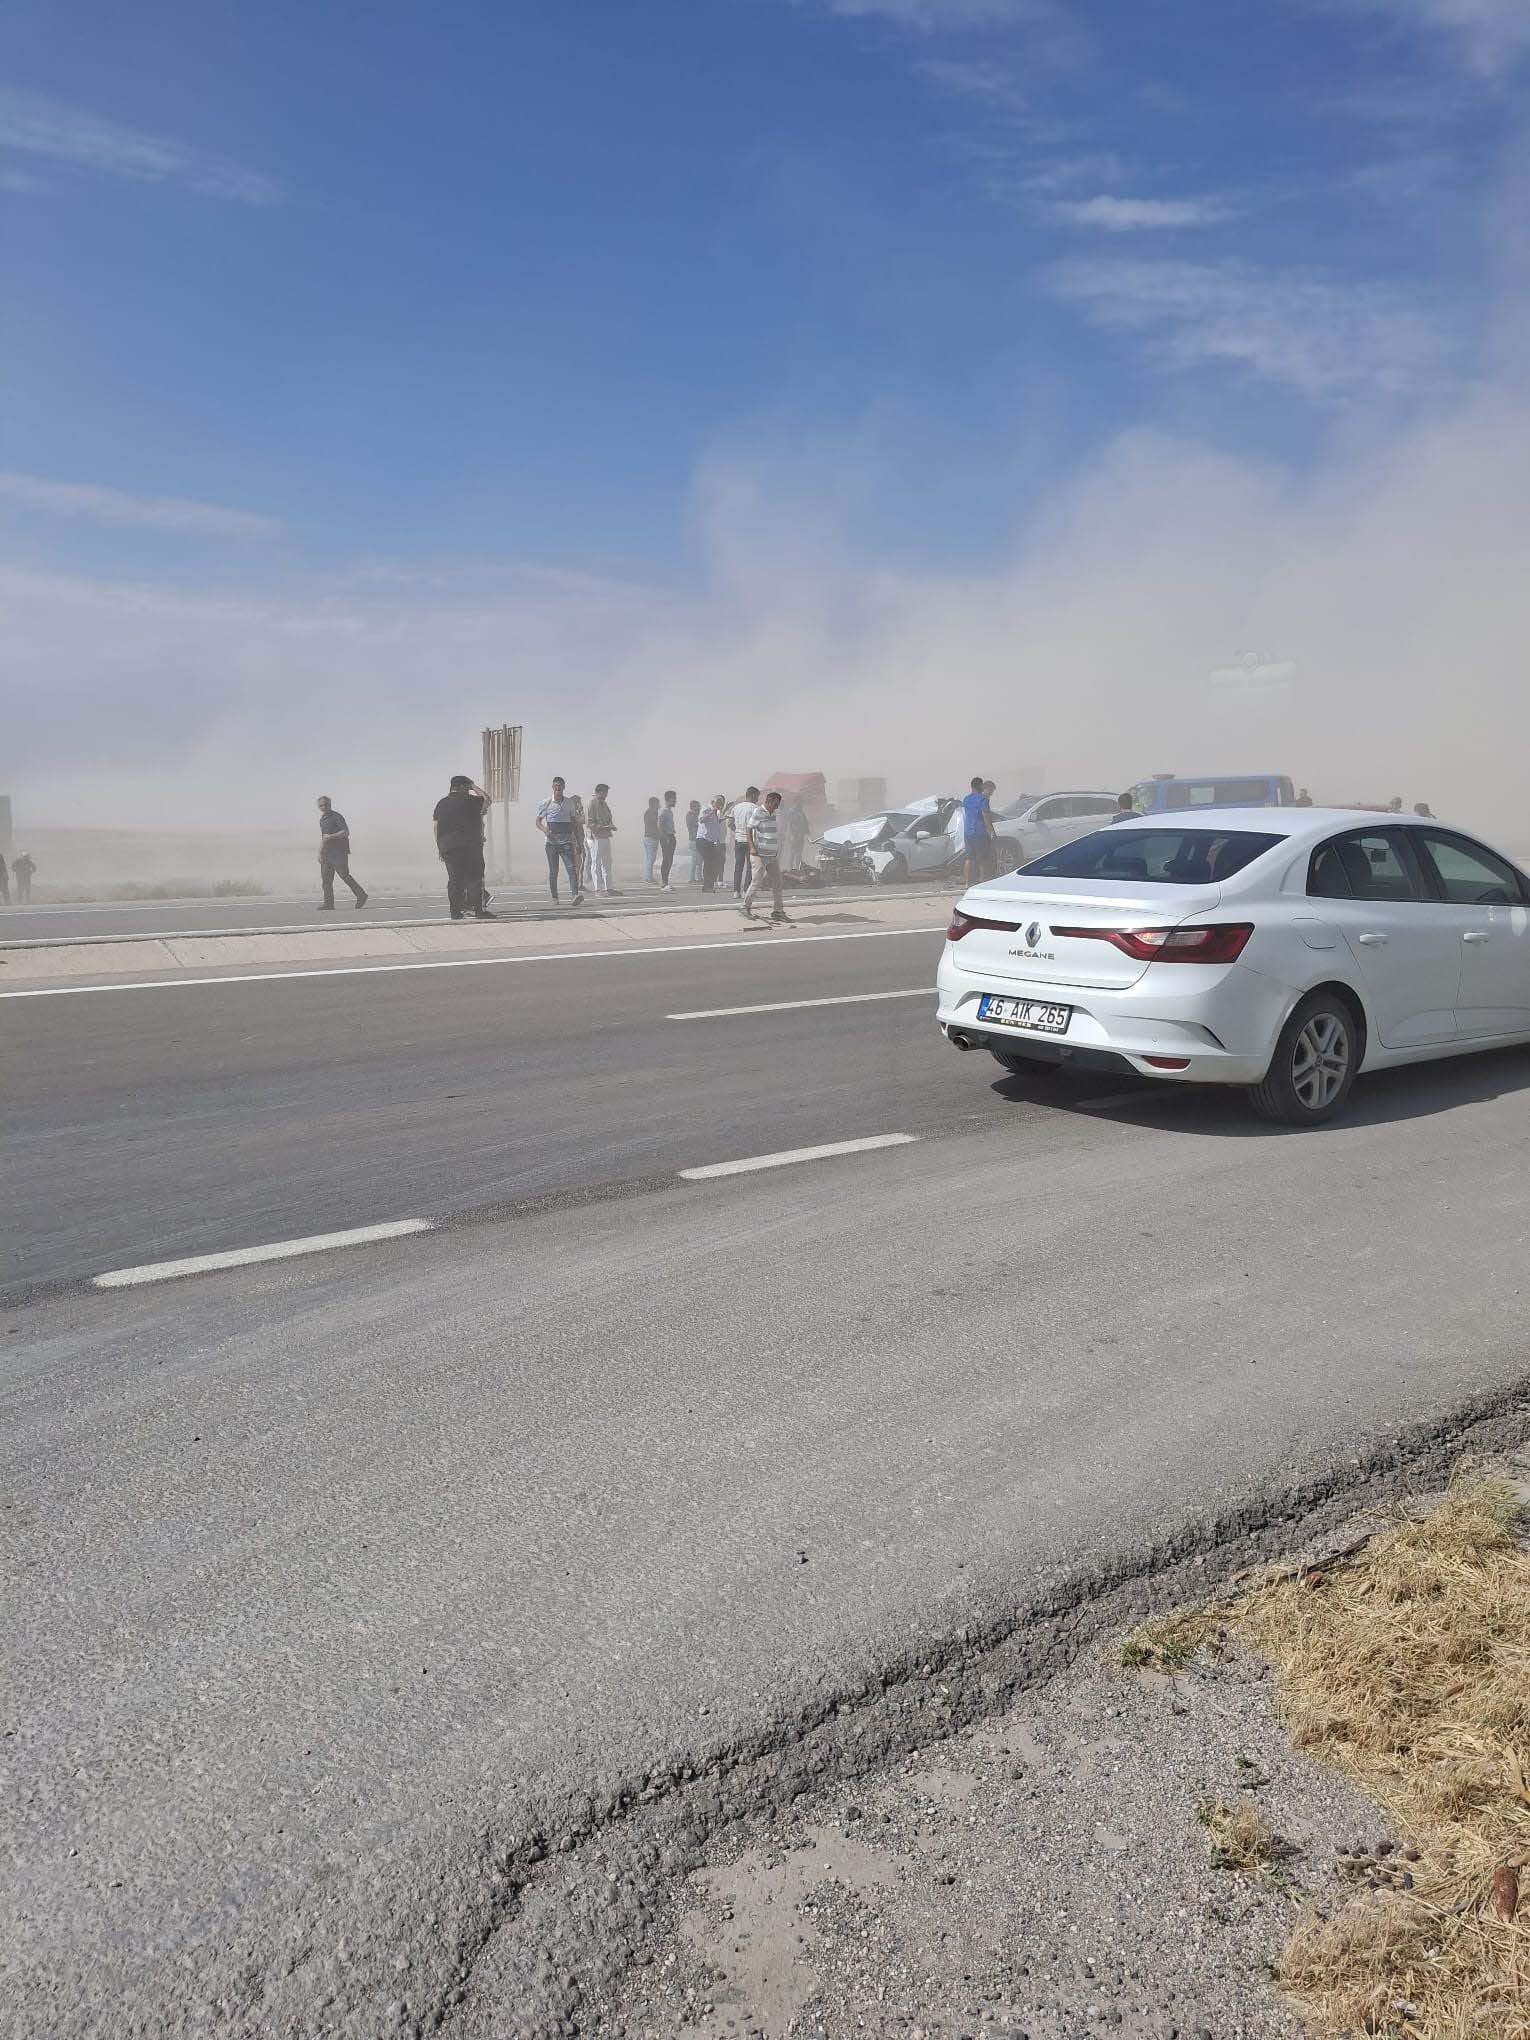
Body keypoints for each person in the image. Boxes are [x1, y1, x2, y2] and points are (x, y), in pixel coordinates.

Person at [433, 773, 495, 920]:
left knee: (455, 880)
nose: (468, 790)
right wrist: (473, 785)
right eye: (466, 788)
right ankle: (478, 911)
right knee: (475, 878)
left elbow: (436, 827)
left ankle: (455, 912)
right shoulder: (469, 800)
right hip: (469, 845)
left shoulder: (441, 804)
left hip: (447, 845)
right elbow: (487, 799)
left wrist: (439, 847)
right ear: (461, 787)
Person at [742, 789, 790, 924]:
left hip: (772, 855)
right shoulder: (758, 812)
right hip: (759, 854)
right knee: (756, 881)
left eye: (778, 804)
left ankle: (778, 911)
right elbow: (749, 828)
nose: (777, 807)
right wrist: (751, 847)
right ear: (768, 801)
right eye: (775, 804)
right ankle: (745, 907)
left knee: (778, 882)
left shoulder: (773, 813)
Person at [536, 776, 585, 906]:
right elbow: (538, 821)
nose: (558, 788)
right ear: (553, 787)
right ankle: (554, 896)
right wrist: (545, 830)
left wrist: (578, 842)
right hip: (552, 843)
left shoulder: (569, 803)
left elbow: (574, 822)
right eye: (555, 786)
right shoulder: (546, 802)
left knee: (571, 868)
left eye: (560, 786)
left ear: (564, 787)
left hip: (567, 841)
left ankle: (575, 894)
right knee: (554, 871)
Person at [315, 795, 369, 910]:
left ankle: (361, 895)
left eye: (326, 804)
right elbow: (324, 837)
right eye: (321, 805)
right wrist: (319, 852)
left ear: (330, 804)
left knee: (344, 875)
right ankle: (328, 904)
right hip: (326, 854)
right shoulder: (322, 820)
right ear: (318, 807)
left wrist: (331, 836)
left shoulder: (337, 817)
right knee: (326, 880)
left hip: (338, 852)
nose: (324, 807)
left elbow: (345, 832)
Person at [586, 783, 620, 895]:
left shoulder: (604, 804)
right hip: (595, 837)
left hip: (605, 836)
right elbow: (590, 824)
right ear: (599, 792)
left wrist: (610, 826)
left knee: (607, 863)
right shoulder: (592, 804)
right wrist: (607, 827)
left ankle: (608, 888)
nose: (606, 794)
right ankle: (597, 889)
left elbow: (608, 818)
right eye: (605, 792)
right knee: (596, 863)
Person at [961, 776, 994, 887]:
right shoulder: (982, 799)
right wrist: (991, 831)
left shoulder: (966, 799)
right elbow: (986, 816)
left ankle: (967, 882)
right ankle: (982, 881)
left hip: (968, 832)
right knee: (982, 858)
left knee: (969, 858)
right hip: (979, 832)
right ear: (980, 786)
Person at [730, 785, 760, 897]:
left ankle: (736, 891)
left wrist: (738, 831)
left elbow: (730, 824)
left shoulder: (736, 807)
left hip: (738, 840)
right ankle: (746, 890)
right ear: (752, 795)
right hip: (750, 841)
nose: (757, 799)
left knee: (738, 866)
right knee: (750, 866)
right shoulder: (755, 808)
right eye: (757, 796)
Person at [696, 795, 726, 891]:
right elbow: (701, 820)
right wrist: (712, 812)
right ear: (713, 802)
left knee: (715, 862)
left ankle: (710, 884)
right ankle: (707, 886)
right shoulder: (706, 809)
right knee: (708, 862)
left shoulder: (715, 812)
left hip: (711, 841)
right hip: (703, 840)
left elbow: (715, 825)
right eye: (719, 803)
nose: (720, 806)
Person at [782, 796, 810, 876]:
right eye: (800, 802)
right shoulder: (792, 811)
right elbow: (789, 824)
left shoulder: (800, 811)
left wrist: (807, 831)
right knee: (792, 853)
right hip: (794, 835)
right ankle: (790, 869)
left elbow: (804, 822)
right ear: (796, 802)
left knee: (799, 853)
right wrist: (792, 835)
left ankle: (798, 868)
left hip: (800, 835)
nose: (801, 803)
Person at [658, 791, 679, 891]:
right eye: (674, 799)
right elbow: (660, 825)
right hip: (666, 838)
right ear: (668, 799)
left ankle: (666, 882)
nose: (675, 801)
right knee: (666, 860)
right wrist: (665, 837)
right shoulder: (664, 811)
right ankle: (664, 883)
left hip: (670, 836)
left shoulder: (669, 811)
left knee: (669, 860)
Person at [642, 797, 662, 884]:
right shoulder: (652, 813)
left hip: (648, 837)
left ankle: (647, 876)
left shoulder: (647, 812)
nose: (659, 805)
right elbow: (657, 824)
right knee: (651, 858)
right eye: (658, 804)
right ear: (654, 804)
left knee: (648, 858)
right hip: (652, 838)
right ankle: (649, 878)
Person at [686, 799, 703, 883]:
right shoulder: (692, 816)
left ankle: (698, 877)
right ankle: (692, 878)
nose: (699, 808)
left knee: (699, 860)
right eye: (698, 806)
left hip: (696, 840)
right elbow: (699, 823)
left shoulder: (692, 815)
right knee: (695, 860)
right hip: (694, 840)